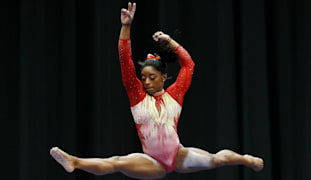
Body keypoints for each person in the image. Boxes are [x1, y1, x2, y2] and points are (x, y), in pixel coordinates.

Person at [50, 2, 263, 179]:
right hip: (151, 161)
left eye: (152, 78)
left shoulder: (175, 94)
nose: (147, 82)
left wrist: (170, 42)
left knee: (217, 159)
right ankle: (74, 161)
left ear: (163, 77)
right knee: (116, 162)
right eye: (143, 78)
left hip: (178, 155)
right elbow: (125, 62)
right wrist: (126, 27)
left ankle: (245, 159)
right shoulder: (137, 96)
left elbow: (188, 65)